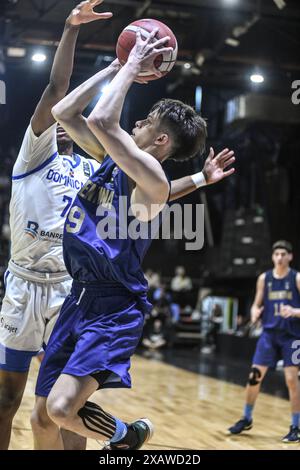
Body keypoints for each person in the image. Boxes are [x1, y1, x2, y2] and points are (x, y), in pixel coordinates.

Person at [31, 24, 235, 450]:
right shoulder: (117, 161)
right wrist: (114, 67)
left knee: (63, 409)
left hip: (113, 303)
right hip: (79, 296)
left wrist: (134, 64)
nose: (136, 121)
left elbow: (105, 119)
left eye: (146, 122)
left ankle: (128, 437)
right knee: (44, 418)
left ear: (160, 140)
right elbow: (65, 112)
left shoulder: (152, 178)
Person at [0, 0, 115, 450]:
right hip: (24, 287)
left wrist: (124, 70)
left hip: (69, 289)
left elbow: (120, 148)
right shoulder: (33, 157)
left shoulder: (95, 169)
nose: (61, 119)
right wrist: (70, 28)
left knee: (63, 406)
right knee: (7, 396)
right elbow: (55, 87)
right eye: (57, 116)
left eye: (71, 117)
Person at [228, 240, 300, 443]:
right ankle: (246, 418)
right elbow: (256, 304)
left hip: (291, 336)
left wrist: (295, 311)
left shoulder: (296, 278)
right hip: (268, 335)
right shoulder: (264, 279)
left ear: (290, 257)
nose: (279, 257)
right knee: (254, 377)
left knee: (292, 381)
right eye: (276, 254)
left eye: (283, 254)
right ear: (272, 257)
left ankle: (296, 425)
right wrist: (254, 312)